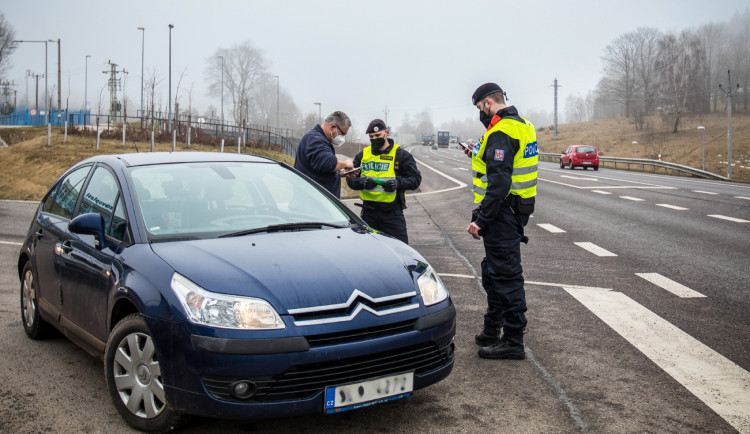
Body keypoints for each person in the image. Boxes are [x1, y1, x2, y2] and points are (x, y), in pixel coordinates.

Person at [464, 83, 538, 360]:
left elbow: (499, 183)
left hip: (501, 213)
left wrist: (481, 220)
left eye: (479, 109)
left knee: (505, 276)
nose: (480, 114)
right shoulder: (523, 125)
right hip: (516, 209)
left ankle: (513, 340)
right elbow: (508, 162)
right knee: (493, 271)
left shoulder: (501, 132)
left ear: (487, 103)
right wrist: (476, 152)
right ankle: (492, 328)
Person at [346, 119, 422, 244]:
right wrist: (362, 183)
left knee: (401, 252)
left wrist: (398, 183)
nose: (374, 139)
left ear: (386, 133)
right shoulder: (363, 155)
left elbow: (415, 179)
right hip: (368, 214)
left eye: (378, 135)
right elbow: (350, 179)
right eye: (371, 137)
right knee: (369, 255)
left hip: (392, 215)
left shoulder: (401, 155)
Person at [294, 111, 354, 198]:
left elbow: (318, 170)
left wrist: (341, 173)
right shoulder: (314, 139)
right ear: (333, 127)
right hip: (311, 203)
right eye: (342, 134)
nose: (342, 138)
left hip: (317, 202)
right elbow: (327, 163)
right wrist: (346, 164)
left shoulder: (323, 141)